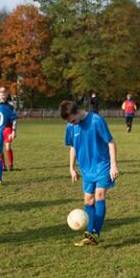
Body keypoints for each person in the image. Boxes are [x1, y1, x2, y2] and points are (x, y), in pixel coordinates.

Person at [60, 100, 119, 246]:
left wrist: (113, 165)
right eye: (69, 121)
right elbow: (73, 147)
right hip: (86, 168)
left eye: (72, 120)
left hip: (102, 165)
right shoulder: (71, 126)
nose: (72, 123)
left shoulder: (96, 120)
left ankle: (94, 234)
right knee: (88, 200)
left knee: (99, 196)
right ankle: (90, 232)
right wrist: (72, 167)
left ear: (77, 112)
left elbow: (111, 142)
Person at [0, 86, 18, 171]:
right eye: (1, 93)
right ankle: (3, 165)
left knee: (8, 147)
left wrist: (14, 131)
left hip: (8, 128)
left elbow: (14, 119)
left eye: (4, 93)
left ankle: (11, 164)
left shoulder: (10, 106)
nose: (3, 95)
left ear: (7, 94)